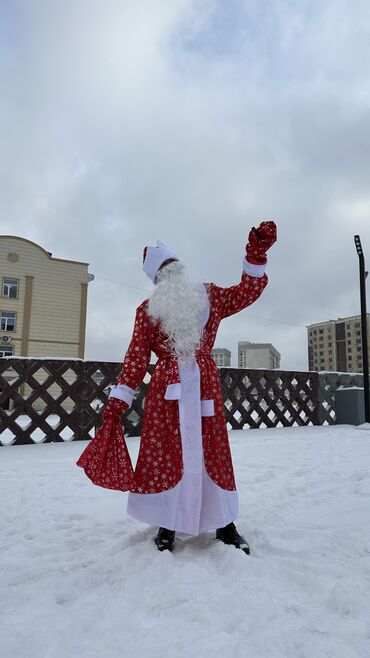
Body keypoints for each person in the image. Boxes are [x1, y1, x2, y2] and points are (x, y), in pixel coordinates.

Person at [78, 221, 277, 553]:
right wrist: (119, 401)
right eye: (164, 271)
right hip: (165, 394)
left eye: (174, 267)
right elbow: (136, 358)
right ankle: (167, 524)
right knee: (165, 455)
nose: (171, 274)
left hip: (203, 387)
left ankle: (225, 525)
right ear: (157, 281)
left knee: (212, 453)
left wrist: (256, 255)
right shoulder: (147, 311)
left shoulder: (211, 296)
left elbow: (247, 292)